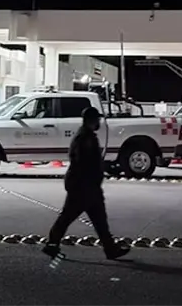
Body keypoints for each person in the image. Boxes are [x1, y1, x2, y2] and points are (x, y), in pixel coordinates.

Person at [42, 106, 130, 261]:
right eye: (97, 119)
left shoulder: (84, 136)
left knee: (98, 219)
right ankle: (52, 243)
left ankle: (110, 248)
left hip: (86, 185)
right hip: (84, 186)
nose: (99, 123)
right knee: (71, 216)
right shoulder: (86, 138)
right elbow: (86, 162)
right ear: (91, 120)